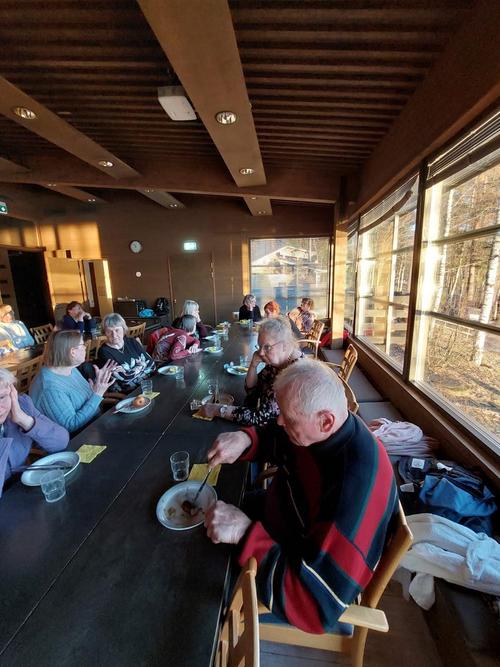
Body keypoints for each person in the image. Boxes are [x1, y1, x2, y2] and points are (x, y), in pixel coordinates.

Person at [204, 359, 398, 634]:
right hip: (282, 518)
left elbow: (314, 606)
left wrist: (244, 533)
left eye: (289, 418)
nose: (279, 421)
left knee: (202, 601)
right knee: (207, 516)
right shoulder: (326, 430)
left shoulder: (352, 489)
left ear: (326, 421)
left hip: (299, 575)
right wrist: (248, 439)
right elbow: (281, 436)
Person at [200, 317, 302, 426]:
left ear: (285, 345)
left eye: (267, 347)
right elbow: (252, 391)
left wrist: (219, 410)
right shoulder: (276, 363)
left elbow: (261, 417)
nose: (260, 353)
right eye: (260, 346)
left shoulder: (295, 374)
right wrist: (253, 365)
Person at [30, 330, 116, 433]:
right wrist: (98, 394)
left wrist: (97, 383)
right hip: (82, 436)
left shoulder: (69, 368)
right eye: (83, 345)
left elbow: (87, 399)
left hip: (96, 422)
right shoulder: (49, 387)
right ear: (73, 352)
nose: (85, 348)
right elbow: (71, 426)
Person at [0, 368, 69, 496]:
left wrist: (24, 420)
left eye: (1, 397)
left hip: (21, 487)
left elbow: (61, 441)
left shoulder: (22, 405)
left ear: (12, 392)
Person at [97, 313, 155, 393]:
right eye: (109, 331)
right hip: (130, 392)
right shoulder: (104, 352)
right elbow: (124, 378)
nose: (114, 335)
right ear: (104, 333)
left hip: (148, 384)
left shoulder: (132, 342)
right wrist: (142, 365)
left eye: (117, 330)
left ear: (123, 329)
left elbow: (152, 365)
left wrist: (132, 370)